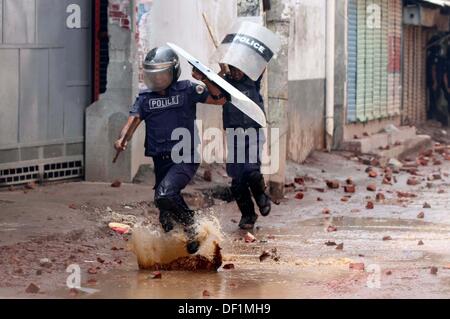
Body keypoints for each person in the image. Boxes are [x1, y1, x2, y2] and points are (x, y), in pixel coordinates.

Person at [114, 46, 226, 254]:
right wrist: (122, 139)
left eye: (162, 74)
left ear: (173, 72)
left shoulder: (187, 90)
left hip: (185, 156)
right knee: (165, 217)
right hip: (161, 159)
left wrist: (205, 79)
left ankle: (194, 227)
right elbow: (133, 121)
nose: (156, 79)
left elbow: (220, 99)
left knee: (164, 194)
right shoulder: (145, 98)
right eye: (152, 75)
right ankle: (183, 252)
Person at [221, 65, 272, 230]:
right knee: (237, 181)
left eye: (239, 69)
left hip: (253, 133)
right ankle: (248, 214)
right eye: (233, 70)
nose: (236, 73)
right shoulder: (224, 82)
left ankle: (261, 197)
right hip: (234, 135)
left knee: (251, 169)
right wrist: (223, 71)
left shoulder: (253, 80)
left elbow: (261, 63)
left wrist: (250, 59)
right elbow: (213, 89)